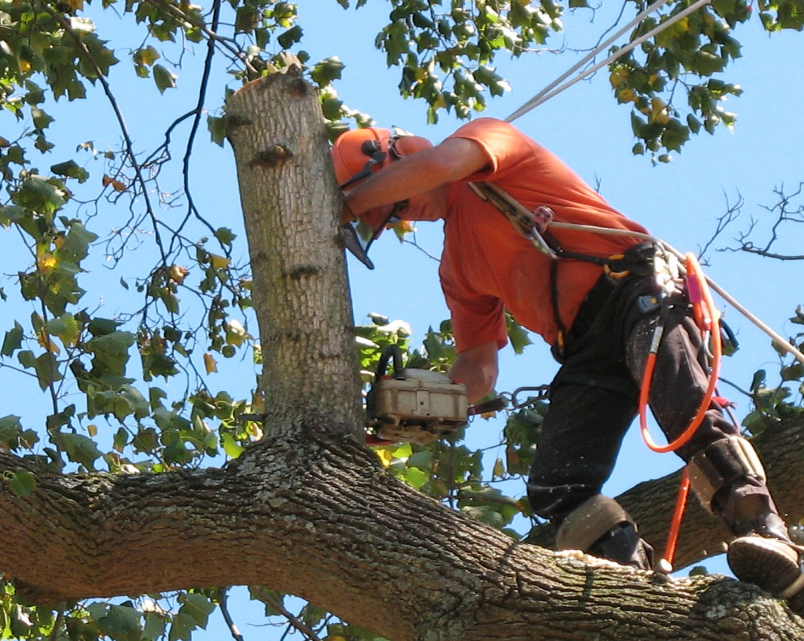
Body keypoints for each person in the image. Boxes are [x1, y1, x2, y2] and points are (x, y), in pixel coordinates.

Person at [331, 118, 804, 597]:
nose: (400, 216)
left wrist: (346, 204)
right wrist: (432, 405)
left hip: (633, 292)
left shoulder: (487, 144)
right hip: (583, 349)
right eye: (391, 216)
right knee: (557, 484)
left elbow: (441, 164)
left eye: (395, 204)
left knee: (681, 403)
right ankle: (635, 591)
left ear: (397, 155)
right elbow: (478, 364)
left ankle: (764, 531)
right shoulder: (457, 267)